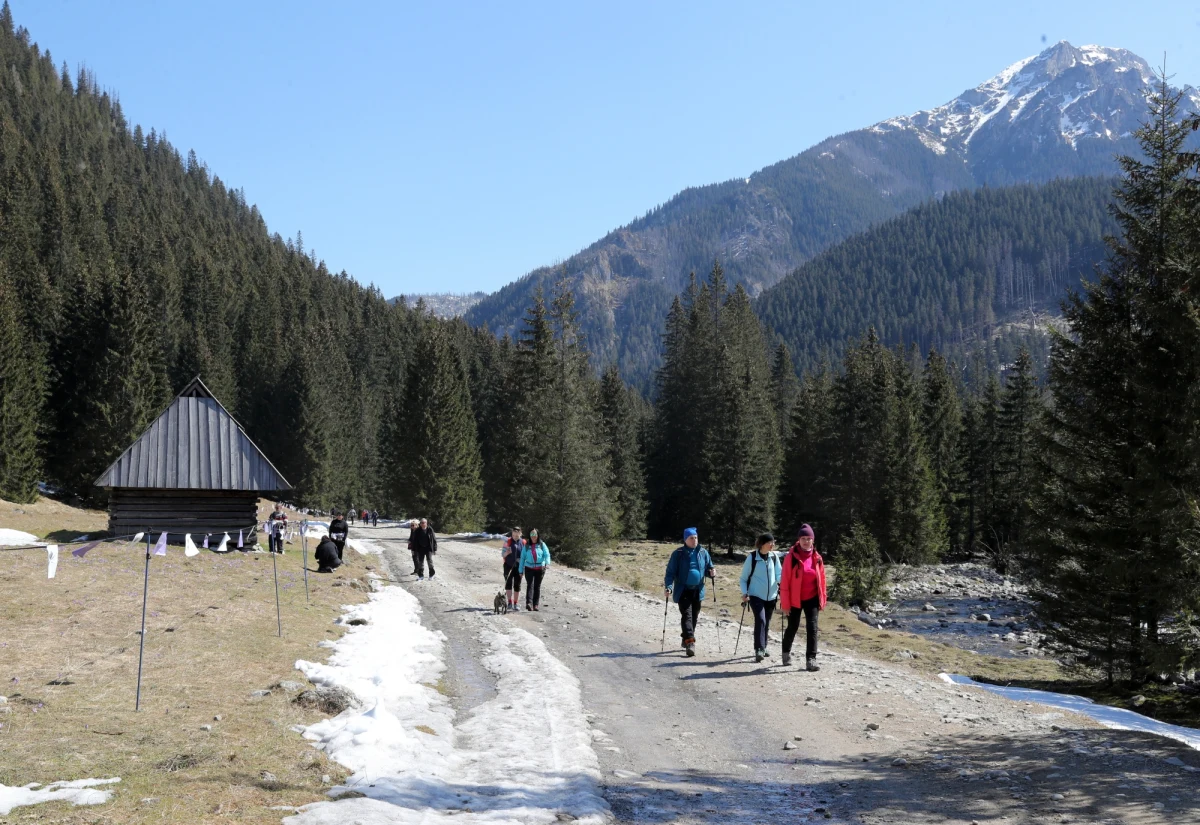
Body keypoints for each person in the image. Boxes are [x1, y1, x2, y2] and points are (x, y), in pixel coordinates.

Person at [779, 524, 827, 670]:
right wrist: (785, 604)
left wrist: (822, 599)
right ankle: (786, 652)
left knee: (812, 628)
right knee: (792, 627)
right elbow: (785, 581)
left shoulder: (817, 557)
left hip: (812, 598)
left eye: (809, 538)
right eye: (803, 538)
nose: (806, 541)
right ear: (798, 540)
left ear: (813, 540)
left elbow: (822, 580)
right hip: (795, 599)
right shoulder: (790, 557)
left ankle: (811, 660)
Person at [664, 527, 715, 657]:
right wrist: (669, 587)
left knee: (694, 615)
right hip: (683, 589)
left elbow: (709, 567)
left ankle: (685, 637)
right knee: (687, 615)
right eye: (691, 538)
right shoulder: (678, 553)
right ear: (685, 539)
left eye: (696, 537)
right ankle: (690, 642)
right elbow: (670, 573)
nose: (694, 540)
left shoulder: (703, 552)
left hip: (698, 589)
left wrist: (712, 572)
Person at [739, 532, 782, 663]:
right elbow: (743, 578)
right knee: (761, 620)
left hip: (772, 596)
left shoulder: (774, 557)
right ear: (763, 544)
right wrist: (745, 593)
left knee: (767, 622)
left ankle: (764, 646)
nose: (772, 545)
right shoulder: (752, 558)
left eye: (773, 542)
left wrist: (783, 584)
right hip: (755, 595)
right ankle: (759, 649)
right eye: (770, 542)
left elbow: (779, 574)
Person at [519, 528, 551, 611]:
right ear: (529, 536)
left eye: (535, 535)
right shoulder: (526, 545)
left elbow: (547, 554)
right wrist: (520, 571)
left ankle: (535, 605)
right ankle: (529, 603)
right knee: (530, 585)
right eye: (531, 535)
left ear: (538, 535)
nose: (533, 536)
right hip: (529, 568)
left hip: (540, 568)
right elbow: (522, 558)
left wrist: (547, 563)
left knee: (537, 586)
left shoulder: (542, 544)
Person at [501, 527, 526, 610]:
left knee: (517, 585)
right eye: (513, 535)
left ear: (520, 534)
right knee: (508, 584)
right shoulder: (507, 541)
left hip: (519, 566)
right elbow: (502, 555)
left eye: (516, 535)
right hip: (508, 566)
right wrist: (507, 552)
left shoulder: (523, 542)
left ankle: (515, 604)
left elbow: (526, 556)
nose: (514, 537)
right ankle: (509, 603)